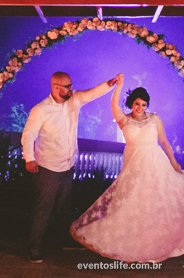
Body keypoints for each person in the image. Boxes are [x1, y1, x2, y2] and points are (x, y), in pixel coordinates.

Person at [70, 74, 184, 263]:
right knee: (132, 203)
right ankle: (135, 242)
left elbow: (164, 141)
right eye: (137, 104)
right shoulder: (123, 120)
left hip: (155, 163)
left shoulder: (154, 119)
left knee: (160, 200)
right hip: (133, 167)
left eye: (144, 105)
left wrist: (173, 162)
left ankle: (159, 241)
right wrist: (119, 85)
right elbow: (114, 104)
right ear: (131, 104)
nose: (140, 108)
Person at [21, 71, 119, 263]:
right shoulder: (41, 109)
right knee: (43, 208)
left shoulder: (74, 100)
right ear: (56, 87)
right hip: (47, 167)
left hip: (68, 165)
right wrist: (29, 158)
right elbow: (28, 135)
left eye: (71, 85)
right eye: (67, 86)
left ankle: (63, 240)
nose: (71, 89)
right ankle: (33, 248)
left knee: (63, 208)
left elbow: (92, 93)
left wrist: (110, 83)